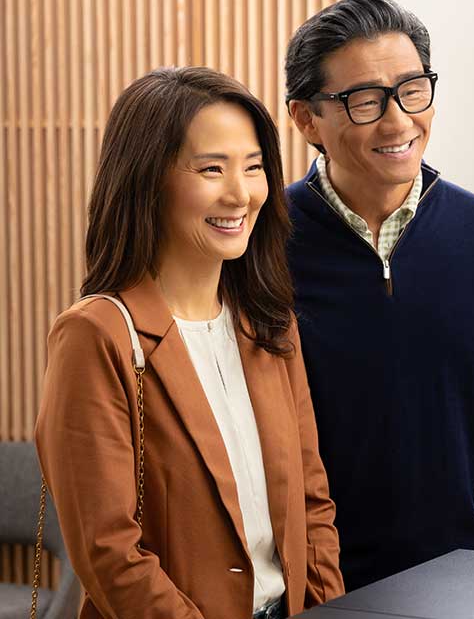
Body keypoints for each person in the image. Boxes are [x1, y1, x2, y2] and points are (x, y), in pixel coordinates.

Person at [35, 67, 344, 619]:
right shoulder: (96, 336)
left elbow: (311, 508)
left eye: (253, 168)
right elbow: (110, 554)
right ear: (147, 179)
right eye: (211, 169)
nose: (239, 193)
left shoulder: (271, 325)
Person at [283, 0, 474, 591]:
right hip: (303, 589)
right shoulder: (261, 245)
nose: (399, 121)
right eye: (365, 100)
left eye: (413, 89)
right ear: (307, 119)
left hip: (454, 580)